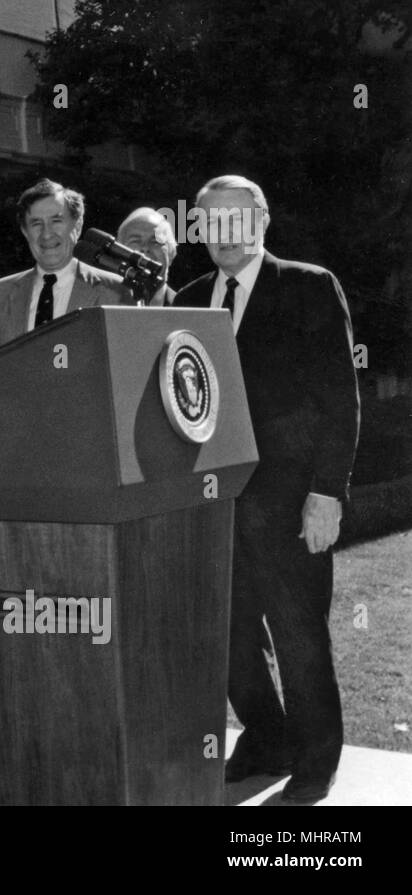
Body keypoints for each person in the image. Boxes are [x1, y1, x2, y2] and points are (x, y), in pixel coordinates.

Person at [173, 175, 359, 804]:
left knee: (299, 636)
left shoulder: (309, 286)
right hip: (212, 504)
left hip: (290, 504)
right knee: (228, 637)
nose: (223, 233)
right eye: (211, 222)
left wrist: (327, 493)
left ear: (261, 220)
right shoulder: (190, 299)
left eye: (236, 219)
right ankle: (266, 736)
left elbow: (340, 399)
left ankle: (315, 760)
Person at [0, 179, 129, 352]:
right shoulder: (0, 293)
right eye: (36, 223)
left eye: (56, 221)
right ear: (25, 232)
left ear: (77, 226)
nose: (47, 234)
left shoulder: (115, 290)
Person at [117, 206, 179, 305]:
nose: (145, 248)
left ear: (171, 253)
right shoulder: (99, 301)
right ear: (118, 252)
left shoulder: (189, 306)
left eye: (155, 242)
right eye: (135, 241)